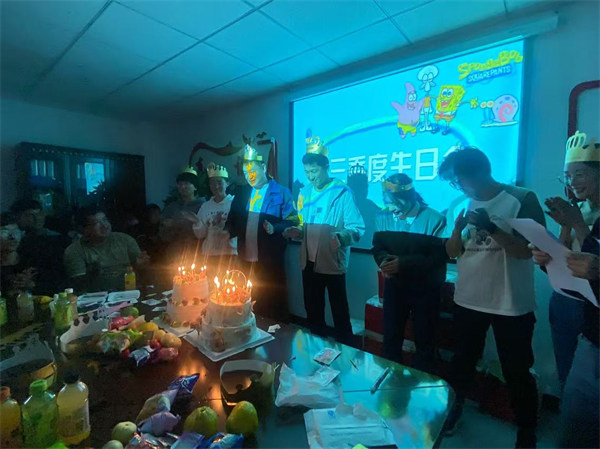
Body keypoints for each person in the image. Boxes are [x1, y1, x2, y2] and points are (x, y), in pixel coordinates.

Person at [440, 147, 545, 448]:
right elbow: (452, 252)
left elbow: (526, 252)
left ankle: (526, 430)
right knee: (462, 363)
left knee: (516, 370)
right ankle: (453, 411)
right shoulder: (460, 203)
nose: (457, 186)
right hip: (468, 298)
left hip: (510, 303)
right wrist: (457, 231)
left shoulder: (521, 198)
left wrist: (491, 227)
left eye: (458, 180)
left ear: (478, 173)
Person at [283, 136, 364, 341]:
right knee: (313, 309)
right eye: (307, 172)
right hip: (309, 262)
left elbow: (357, 228)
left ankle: (346, 350)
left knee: (339, 311)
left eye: (315, 171)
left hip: (332, 262)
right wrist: (297, 231)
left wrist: (341, 237)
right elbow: (303, 224)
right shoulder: (305, 193)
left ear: (326, 167)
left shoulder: (342, 192)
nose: (311, 177)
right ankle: (315, 347)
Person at [540, 131, 599, 393]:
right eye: (567, 176)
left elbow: (594, 261)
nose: (572, 182)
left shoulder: (582, 215)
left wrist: (575, 222)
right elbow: (565, 257)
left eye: (580, 174)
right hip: (564, 300)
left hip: (591, 306)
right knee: (567, 372)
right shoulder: (580, 209)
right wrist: (547, 254)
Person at [372, 173, 446, 371]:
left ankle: (422, 381)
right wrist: (384, 261)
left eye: (396, 203)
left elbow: (437, 257)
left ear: (410, 197)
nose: (392, 208)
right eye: (388, 203)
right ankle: (391, 381)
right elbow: (378, 247)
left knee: (424, 339)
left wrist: (402, 264)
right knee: (391, 337)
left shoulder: (435, 219)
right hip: (395, 286)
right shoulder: (383, 215)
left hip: (426, 289)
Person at [224, 144, 298, 321]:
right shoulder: (242, 192)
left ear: (263, 167)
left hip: (269, 258)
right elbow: (232, 219)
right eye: (246, 173)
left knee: (271, 299)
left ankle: (275, 331)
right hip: (245, 258)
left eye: (253, 172)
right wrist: (226, 231)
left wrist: (275, 227)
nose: (249, 177)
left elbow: (293, 220)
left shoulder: (281, 192)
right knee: (248, 300)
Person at [64, 206, 149, 292]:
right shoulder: (74, 251)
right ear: (84, 229)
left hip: (129, 294)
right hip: (95, 297)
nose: (105, 225)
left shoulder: (125, 239)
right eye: (97, 223)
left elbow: (142, 272)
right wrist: (92, 273)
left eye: (105, 219)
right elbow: (78, 286)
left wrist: (141, 266)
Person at [184, 163, 237, 275]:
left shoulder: (234, 203)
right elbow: (201, 235)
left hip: (230, 253)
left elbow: (240, 228)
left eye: (219, 182)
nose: (216, 186)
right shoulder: (206, 206)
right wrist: (197, 222)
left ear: (227, 183)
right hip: (210, 254)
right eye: (212, 183)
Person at [11, 199, 70, 294]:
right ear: (18, 218)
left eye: (39, 214)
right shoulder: (14, 242)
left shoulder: (58, 240)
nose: (37, 219)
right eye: (30, 215)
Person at [160, 166, 205, 254]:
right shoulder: (171, 207)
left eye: (186, 183)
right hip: (174, 252)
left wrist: (180, 224)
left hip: (196, 253)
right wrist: (168, 227)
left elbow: (205, 232)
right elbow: (162, 234)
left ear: (195, 187)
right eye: (180, 184)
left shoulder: (203, 206)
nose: (183, 186)